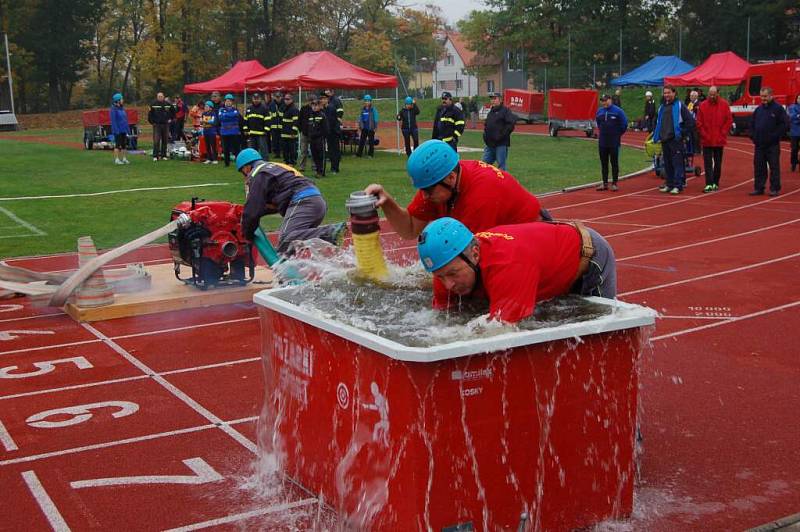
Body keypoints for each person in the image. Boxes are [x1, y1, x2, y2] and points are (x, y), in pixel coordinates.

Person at [364, 139, 550, 305]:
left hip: (537, 246)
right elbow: (410, 228)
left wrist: (406, 285)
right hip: (505, 245)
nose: (424, 197)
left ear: (451, 179)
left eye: (427, 191)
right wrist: (386, 201)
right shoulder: (439, 183)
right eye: (421, 190)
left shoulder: (480, 197)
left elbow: (471, 265)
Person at [416, 217, 616, 324]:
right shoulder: (445, 264)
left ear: (475, 254)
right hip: (540, 257)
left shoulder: (507, 266)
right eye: (440, 276)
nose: (448, 285)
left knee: (602, 329)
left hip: (589, 257)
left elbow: (500, 332)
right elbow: (441, 319)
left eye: (452, 274)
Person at [236, 148, 346, 253]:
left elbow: (252, 211)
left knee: (286, 238)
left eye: (243, 173)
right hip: (316, 201)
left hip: (303, 201)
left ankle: (331, 232)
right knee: (287, 248)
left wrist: (247, 234)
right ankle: (296, 269)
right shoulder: (275, 166)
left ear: (246, 167)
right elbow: (265, 206)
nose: (245, 177)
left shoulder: (257, 174)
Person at [652, 85, 695, 194]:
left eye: (668, 93)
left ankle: (678, 185)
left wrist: (682, 133)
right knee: (667, 164)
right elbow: (657, 122)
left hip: (675, 139)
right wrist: (657, 134)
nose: (666, 95)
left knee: (677, 163)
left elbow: (690, 122)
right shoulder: (662, 107)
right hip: (664, 139)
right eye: (665, 93)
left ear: (674, 93)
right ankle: (669, 184)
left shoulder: (680, 106)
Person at [749, 87, 789, 196]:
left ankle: (774, 188)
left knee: (774, 167)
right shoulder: (758, 109)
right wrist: (753, 136)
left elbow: (784, 124)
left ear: (771, 95)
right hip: (759, 144)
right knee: (759, 167)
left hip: (772, 145)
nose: (763, 99)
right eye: (761, 96)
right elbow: (752, 124)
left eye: (765, 96)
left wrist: (775, 136)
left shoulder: (778, 109)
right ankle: (759, 187)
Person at [696, 86, 733, 193]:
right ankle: (708, 183)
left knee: (718, 163)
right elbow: (699, 122)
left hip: (719, 140)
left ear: (718, 93)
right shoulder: (703, 105)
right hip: (707, 139)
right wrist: (703, 134)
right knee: (707, 163)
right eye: (710, 94)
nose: (711, 96)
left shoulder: (724, 105)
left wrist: (723, 133)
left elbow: (729, 120)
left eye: (713, 94)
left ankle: (715, 182)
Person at [595, 94, 628, 191]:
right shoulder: (600, 111)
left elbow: (624, 124)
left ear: (610, 100)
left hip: (614, 141)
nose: (604, 102)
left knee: (614, 162)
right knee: (603, 163)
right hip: (603, 141)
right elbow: (598, 123)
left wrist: (617, 134)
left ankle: (614, 183)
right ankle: (604, 183)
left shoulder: (618, 111)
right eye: (602, 101)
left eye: (605, 100)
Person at [482, 92, 516, 171]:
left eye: (495, 98)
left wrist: (501, 136)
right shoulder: (491, 112)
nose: (492, 101)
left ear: (500, 100)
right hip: (490, 145)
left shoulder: (505, 111)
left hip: (501, 144)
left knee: (501, 166)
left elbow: (510, 125)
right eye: (491, 99)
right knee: (483, 165)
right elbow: (487, 125)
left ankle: (503, 182)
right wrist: (485, 136)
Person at [218, 94, 243, 167]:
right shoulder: (221, 110)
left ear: (232, 102)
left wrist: (226, 115)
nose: (228, 102)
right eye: (227, 101)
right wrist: (231, 115)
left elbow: (236, 116)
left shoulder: (235, 110)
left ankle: (239, 162)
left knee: (236, 148)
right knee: (226, 149)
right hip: (224, 133)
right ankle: (227, 163)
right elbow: (221, 118)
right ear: (225, 102)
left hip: (234, 132)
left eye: (230, 101)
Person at [322, 89, 344, 174]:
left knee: (335, 150)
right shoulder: (324, 108)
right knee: (331, 150)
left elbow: (330, 122)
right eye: (321, 99)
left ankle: (335, 168)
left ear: (327, 100)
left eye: (324, 99)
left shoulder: (331, 108)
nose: (322, 100)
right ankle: (333, 167)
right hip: (329, 132)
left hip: (334, 132)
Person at [243, 92, 270, 160]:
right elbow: (245, 120)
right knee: (253, 150)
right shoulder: (249, 109)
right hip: (252, 133)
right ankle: (254, 161)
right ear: (252, 99)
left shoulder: (264, 108)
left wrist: (266, 130)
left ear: (260, 99)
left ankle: (265, 162)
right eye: (254, 99)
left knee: (263, 149)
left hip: (261, 133)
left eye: (257, 99)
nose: (256, 100)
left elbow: (268, 120)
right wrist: (245, 130)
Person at [147, 91, 173, 161]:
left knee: (165, 140)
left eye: (161, 96)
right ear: (157, 97)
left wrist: (170, 119)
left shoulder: (168, 104)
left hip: (165, 125)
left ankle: (163, 155)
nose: (160, 98)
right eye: (159, 96)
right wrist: (152, 122)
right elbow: (150, 115)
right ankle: (155, 156)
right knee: (156, 140)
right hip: (157, 125)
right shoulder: (153, 104)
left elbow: (173, 112)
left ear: (163, 97)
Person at [307, 96, 329, 177]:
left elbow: (326, 129)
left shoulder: (322, 115)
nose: (314, 107)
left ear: (319, 106)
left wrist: (323, 137)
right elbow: (308, 127)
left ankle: (321, 171)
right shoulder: (310, 116)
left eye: (316, 105)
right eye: (313, 105)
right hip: (312, 139)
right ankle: (317, 170)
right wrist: (309, 136)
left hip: (320, 139)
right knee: (314, 155)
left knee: (320, 156)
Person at [110, 93, 131, 165]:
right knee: (117, 145)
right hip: (118, 130)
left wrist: (127, 129)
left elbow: (125, 119)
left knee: (124, 145)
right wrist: (116, 130)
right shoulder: (113, 109)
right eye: (121, 99)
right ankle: (117, 159)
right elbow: (114, 121)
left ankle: (124, 158)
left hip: (123, 129)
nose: (123, 100)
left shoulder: (122, 108)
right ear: (117, 100)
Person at [280, 93, 300, 166]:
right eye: (285, 99)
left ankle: (292, 162)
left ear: (292, 100)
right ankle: (286, 161)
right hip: (284, 133)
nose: (286, 101)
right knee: (285, 149)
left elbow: (296, 122)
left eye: (288, 99)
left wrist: (293, 132)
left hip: (291, 134)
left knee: (292, 150)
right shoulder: (284, 108)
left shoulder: (294, 109)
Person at [201, 100, 219, 164]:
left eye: (207, 107)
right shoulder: (203, 114)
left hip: (212, 132)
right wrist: (203, 122)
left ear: (210, 108)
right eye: (205, 107)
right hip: (205, 131)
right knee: (207, 146)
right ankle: (208, 158)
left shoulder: (213, 114)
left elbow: (214, 122)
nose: (205, 108)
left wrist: (205, 121)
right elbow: (201, 122)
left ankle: (215, 159)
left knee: (213, 146)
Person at [297, 97, 312, 171]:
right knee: (303, 151)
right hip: (304, 133)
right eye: (309, 101)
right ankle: (302, 166)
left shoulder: (316, 109)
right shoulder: (303, 109)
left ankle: (315, 166)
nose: (310, 103)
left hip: (313, 134)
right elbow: (299, 120)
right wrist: (301, 130)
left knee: (314, 151)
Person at [686, 90, 701, 154]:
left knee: (696, 137)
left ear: (696, 96)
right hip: (690, 122)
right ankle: (692, 150)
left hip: (696, 122)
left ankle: (698, 150)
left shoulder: (699, 103)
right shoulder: (690, 103)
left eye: (692, 96)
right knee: (691, 137)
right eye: (690, 96)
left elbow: (698, 112)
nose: (690, 97)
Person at [269, 92, 283, 158]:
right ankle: (276, 153)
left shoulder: (283, 104)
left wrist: (279, 113)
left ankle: (280, 152)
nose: (278, 98)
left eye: (279, 97)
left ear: (281, 97)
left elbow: (284, 114)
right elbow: (269, 114)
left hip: (281, 126)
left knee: (281, 140)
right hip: (273, 125)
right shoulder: (272, 104)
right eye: (276, 97)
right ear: (274, 97)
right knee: (274, 140)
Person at [788, 94, 800, 172]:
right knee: (794, 149)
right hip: (795, 132)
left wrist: (797, 117)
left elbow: (795, 117)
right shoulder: (792, 107)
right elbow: (792, 117)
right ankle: (793, 163)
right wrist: (798, 117)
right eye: (799, 98)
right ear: (796, 99)